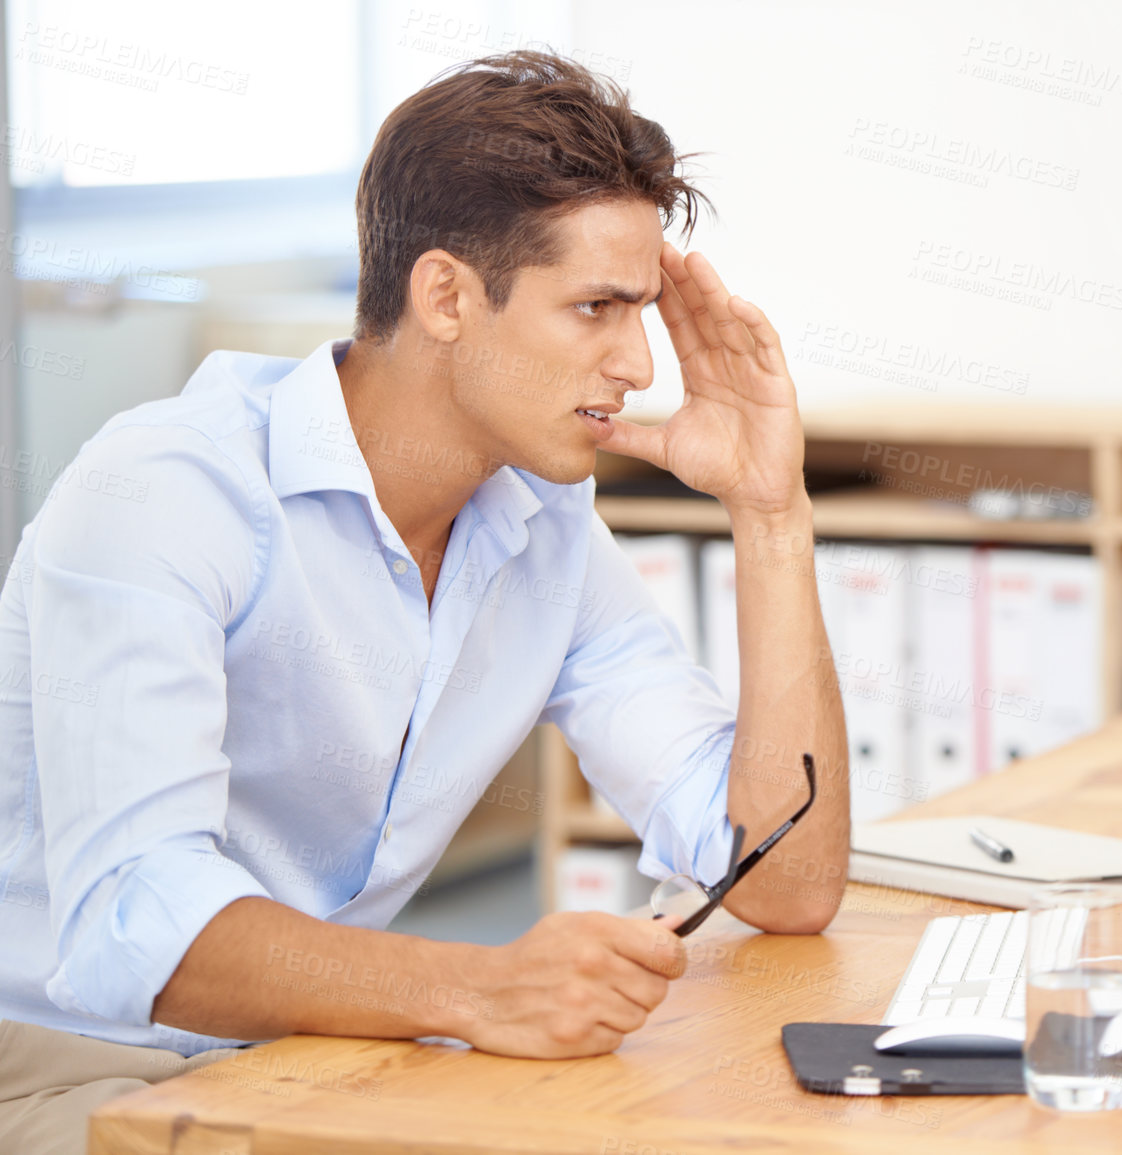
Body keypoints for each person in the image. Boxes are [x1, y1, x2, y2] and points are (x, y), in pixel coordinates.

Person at [0, 50, 848, 1153]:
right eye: (596, 308)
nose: (639, 364)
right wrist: (484, 990)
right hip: (66, 1068)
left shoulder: (542, 530)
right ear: (446, 294)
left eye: (640, 312)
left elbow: (781, 880)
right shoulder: (167, 491)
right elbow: (140, 928)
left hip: (312, 1061)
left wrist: (772, 516)